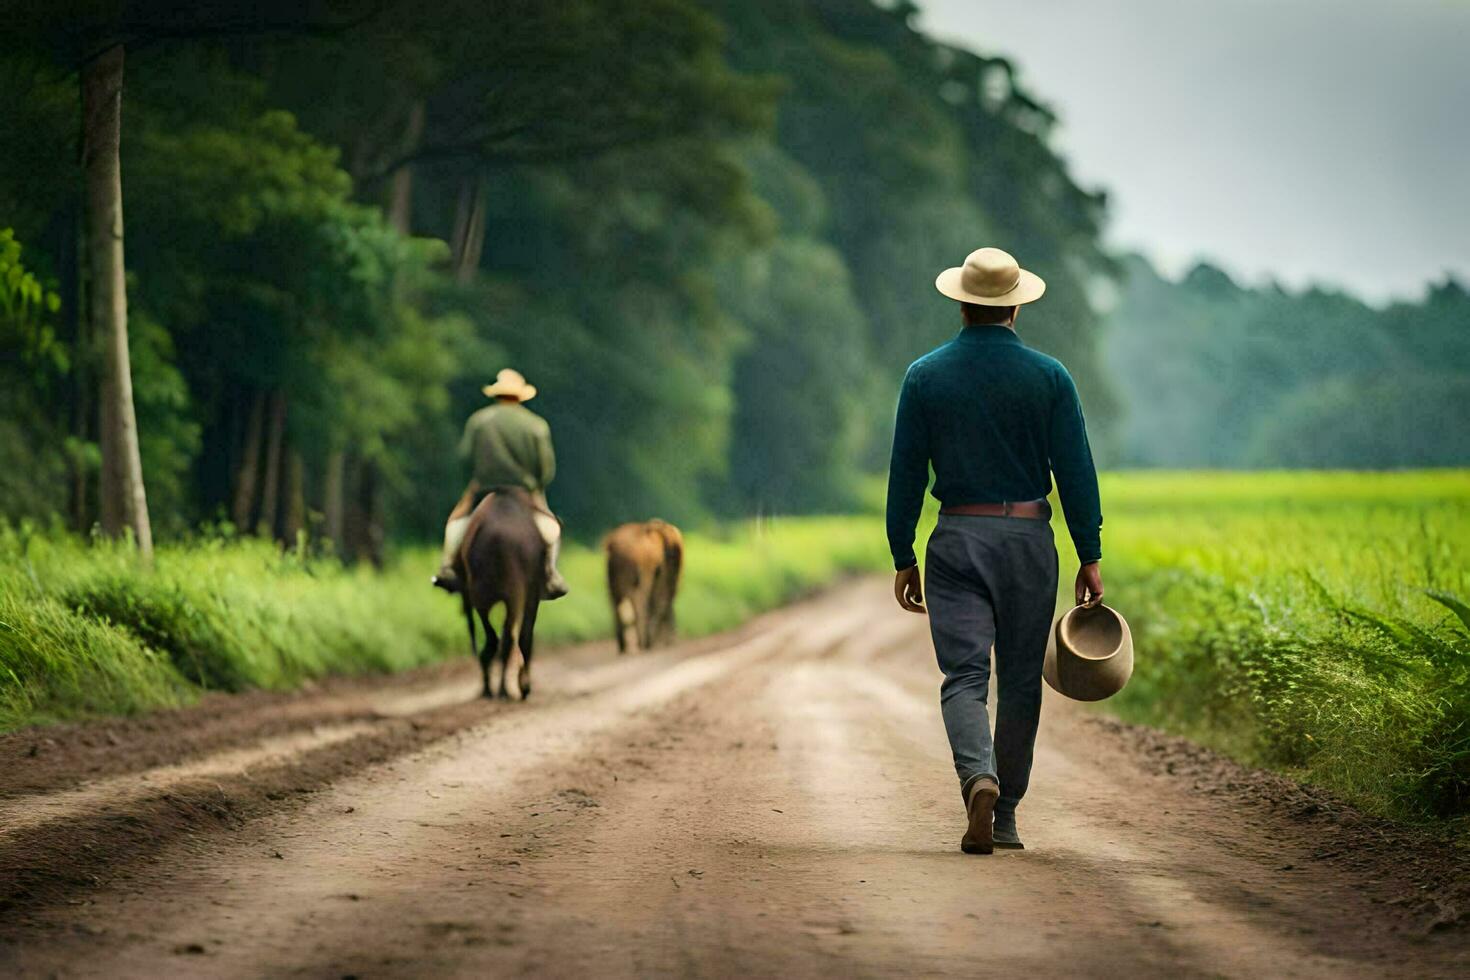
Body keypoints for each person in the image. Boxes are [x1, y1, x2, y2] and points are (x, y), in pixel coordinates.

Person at [885, 247, 1103, 855]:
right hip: (1031, 543)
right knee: (1022, 681)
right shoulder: (1051, 377)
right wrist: (1090, 551)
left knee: (964, 675)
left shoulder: (925, 375)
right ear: (1015, 305)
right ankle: (1004, 814)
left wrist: (902, 553)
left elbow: (905, 472)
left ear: (961, 302)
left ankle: (976, 776)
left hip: (956, 539)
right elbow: (1076, 470)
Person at [433, 368, 569, 600]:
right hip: (524, 491)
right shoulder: (536, 425)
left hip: (484, 488)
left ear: (497, 394)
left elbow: (465, 459)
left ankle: (448, 568)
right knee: (551, 528)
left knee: (455, 524)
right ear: (521, 396)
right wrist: (537, 484)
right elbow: (546, 470)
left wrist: (473, 481)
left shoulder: (478, 421)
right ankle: (550, 573)